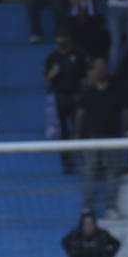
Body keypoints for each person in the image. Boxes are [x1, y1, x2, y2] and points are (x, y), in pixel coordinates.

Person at [75, 57, 123, 215]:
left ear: (107, 70)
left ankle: (110, 207)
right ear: (93, 70)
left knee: (112, 172)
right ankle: (87, 207)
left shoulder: (116, 91)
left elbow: (125, 112)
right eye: (97, 67)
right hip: (91, 138)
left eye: (103, 67)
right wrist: (77, 134)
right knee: (89, 171)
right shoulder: (87, 92)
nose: (101, 70)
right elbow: (80, 114)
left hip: (112, 137)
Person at [45, 30, 87, 164]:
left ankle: (83, 159)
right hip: (59, 97)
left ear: (68, 38)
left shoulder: (78, 55)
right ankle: (66, 161)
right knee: (62, 131)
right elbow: (46, 78)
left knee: (80, 128)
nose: (61, 40)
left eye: (63, 37)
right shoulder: (52, 57)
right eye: (58, 37)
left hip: (76, 96)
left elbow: (86, 74)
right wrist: (52, 74)